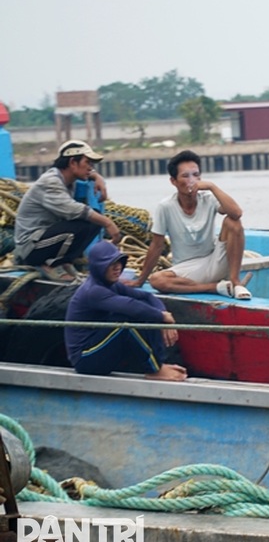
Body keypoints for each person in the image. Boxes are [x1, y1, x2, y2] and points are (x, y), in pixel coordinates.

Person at [127, 150, 250, 300]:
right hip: (187, 269)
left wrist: (212, 187)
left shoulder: (208, 198)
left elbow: (236, 213)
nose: (192, 180)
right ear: (173, 181)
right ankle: (214, 288)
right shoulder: (165, 207)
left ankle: (235, 282)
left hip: (214, 260)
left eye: (196, 175)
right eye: (185, 176)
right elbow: (157, 245)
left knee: (233, 221)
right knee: (157, 280)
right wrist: (140, 280)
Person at [64, 240, 187, 381]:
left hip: (100, 348)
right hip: (85, 359)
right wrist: (162, 316)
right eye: (111, 264)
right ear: (98, 267)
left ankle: (158, 364)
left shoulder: (113, 285)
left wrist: (163, 316)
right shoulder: (93, 291)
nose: (117, 267)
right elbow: (132, 307)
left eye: (119, 262)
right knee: (125, 321)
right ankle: (154, 369)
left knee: (148, 313)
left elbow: (147, 297)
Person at [13, 140, 122, 282]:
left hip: (44, 240)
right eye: (88, 163)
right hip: (30, 249)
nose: (91, 167)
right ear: (72, 162)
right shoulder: (50, 182)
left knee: (93, 223)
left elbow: (88, 175)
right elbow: (73, 210)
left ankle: (65, 262)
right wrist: (108, 223)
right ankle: (50, 264)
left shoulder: (68, 180)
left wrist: (97, 177)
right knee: (81, 224)